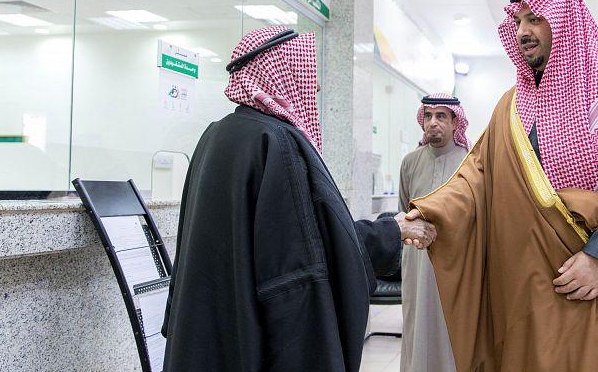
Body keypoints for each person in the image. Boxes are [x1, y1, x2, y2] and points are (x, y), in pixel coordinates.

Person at [406, 0, 598, 371]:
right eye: (518, 21)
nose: (523, 31)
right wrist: (431, 212)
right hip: (539, 285)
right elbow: (477, 177)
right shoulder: (511, 107)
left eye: (535, 19)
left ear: (565, 20)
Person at [161, 26, 436, 371]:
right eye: (306, 72)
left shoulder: (216, 135)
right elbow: (306, 261)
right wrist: (393, 231)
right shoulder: (277, 143)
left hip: (210, 340)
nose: (315, 86)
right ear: (280, 74)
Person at [398, 93, 470, 372]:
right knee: (416, 322)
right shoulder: (410, 162)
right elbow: (403, 210)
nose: (433, 123)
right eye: (428, 116)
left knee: (451, 325)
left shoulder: (469, 163)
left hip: (457, 260)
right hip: (417, 261)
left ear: (455, 122)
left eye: (441, 116)